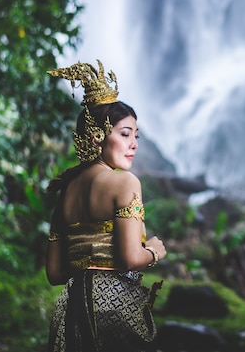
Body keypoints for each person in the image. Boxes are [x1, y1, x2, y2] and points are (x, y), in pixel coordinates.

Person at [45, 59, 166, 352]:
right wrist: (153, 251)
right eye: (125, 134)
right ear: (97, 136)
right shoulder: (125, 183)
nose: (134, 144)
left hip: (69, 311)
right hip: (113, 307)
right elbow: (128, 259)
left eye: (136, 136)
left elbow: (55, 273)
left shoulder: (67, 191)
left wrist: (86, 262)